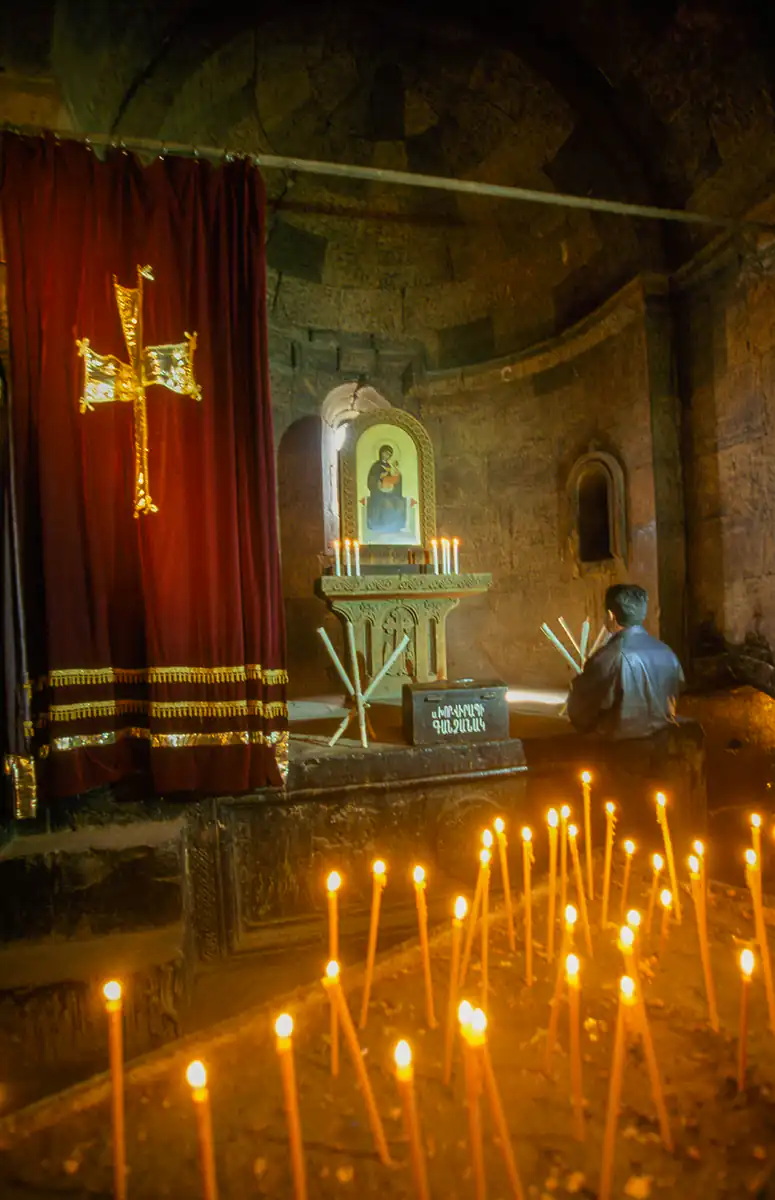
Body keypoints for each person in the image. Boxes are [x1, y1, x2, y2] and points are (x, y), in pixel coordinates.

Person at [567, 584, 684, 739]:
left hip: (621, 749)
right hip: (664, 743)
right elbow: (677, 695)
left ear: (611, 615)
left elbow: (580, 711)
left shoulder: (609, 657)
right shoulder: (667, 653)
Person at [366, 443, 406, 534]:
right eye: (385, 453)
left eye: (388, 454)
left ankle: (396, 525)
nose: (386, 456)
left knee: (400, 502)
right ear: (381, 453)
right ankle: (382, 526)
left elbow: (392, 479)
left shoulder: (389, 466)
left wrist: (397, 476)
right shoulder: (375, 466)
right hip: (378, 493)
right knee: (387, 504)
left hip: (389, 492)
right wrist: (379, 478)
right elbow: (371, 481)